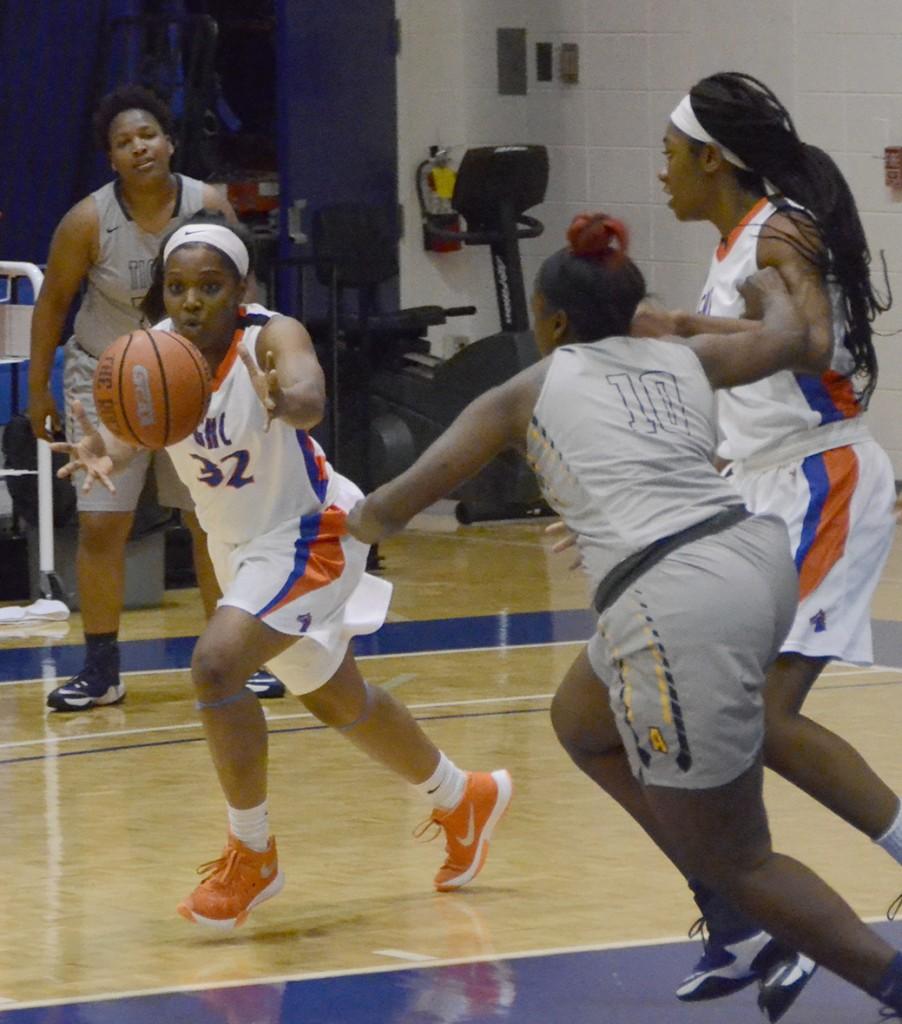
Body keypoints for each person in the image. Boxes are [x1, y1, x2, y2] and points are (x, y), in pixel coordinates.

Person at [343, 212, 902, 1018]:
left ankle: (846, 957)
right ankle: (731, 909)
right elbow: (785, 338)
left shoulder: (524, 391)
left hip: (674, 599)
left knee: (741, 853)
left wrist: (334, 519)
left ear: (555, 322)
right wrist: (769, 285)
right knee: (581, 716)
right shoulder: (685, 356)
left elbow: (393, 506)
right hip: (753, 559)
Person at [52, 213, 512, 928]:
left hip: (311, 534)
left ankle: (253, 856)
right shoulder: (159, 351)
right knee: (337, 698)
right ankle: (463, 796)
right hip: (243, 550)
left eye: (210, 286)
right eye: (177, 286)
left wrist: (287, 400)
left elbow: (308, 392)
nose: (192, 300)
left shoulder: (272, 335)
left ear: (242, 288)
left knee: (215, 667)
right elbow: (140, 425)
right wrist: (109, 448)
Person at [655, 71, 902, 1007]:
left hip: (817, 481)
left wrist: (685, 331)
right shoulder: (734, 244)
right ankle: (745, 920)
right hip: (756, 490)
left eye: (671, 154)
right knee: (683, 713)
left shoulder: (780, 229)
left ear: (711, 158)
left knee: (762, 717)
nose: (663, 173)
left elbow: (808, 336)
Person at [27, 83, 286, 708]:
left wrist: (250, 369)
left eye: (147, 135)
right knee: (100, 528)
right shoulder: (89, 220)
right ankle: (101, 669)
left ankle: (229, 656)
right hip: (107, 377)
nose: (138, 147)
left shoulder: (209, 203)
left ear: (169, 142)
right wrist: (38, 388)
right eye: (123, 142)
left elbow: (243, 294)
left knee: (209, 524)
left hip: (194, 375)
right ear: (111, 158)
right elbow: (52, 305)